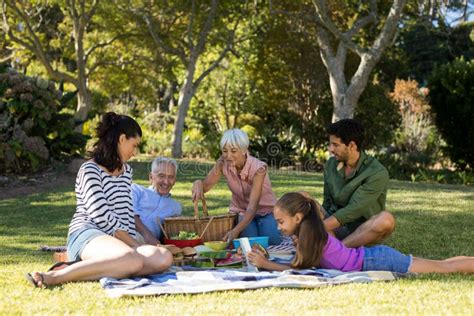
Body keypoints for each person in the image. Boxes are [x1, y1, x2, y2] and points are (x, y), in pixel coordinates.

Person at [25, 112, 172, 288]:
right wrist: (134, 246)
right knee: (132, 259)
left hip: (122, 241)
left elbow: (126, 213)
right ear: (122, 139)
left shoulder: (127, 171)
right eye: (134, 145)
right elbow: (101, 215)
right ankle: (55, 276)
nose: (135, 151)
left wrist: (142, 241)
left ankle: (96, 266)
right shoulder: (90, 170)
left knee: (163, 258)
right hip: (88, 233)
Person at [248, 192, 474, 274]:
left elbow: (298, 268)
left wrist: (266, 264)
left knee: (446, 268)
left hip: (378, 261)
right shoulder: (308, 229)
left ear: (297, 218)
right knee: (442, 263)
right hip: (374, 257)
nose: (278, 227)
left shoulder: (310, 234)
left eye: (280, 222)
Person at [192, 128, 281, 245]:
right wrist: (198, 183)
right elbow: (206, 186)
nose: (228, 156)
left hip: (266, 211)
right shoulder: (222, 163)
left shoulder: (259, 168)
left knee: (272, 242)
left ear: (244, 150)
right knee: (250, 244)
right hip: (242, 212)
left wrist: (235, 231)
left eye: (233, 151)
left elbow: (252, 207)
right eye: (225, 151)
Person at [322, 119, 395, 248]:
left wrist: (314, 229)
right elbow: (327, 203)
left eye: (335, 145)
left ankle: (340, 251)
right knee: (303, 197)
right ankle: (332, 246)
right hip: (332, 228)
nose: (331, 149)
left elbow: (353, 210)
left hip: (360, 233)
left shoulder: (376, 172)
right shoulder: (330, 165)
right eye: (330, 144)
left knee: (386, 220)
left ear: (352, 146)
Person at [132, 157, 182, 244]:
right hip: (127, 235)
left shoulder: (175, 207)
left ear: (175, 180)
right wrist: (148, 236)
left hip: (151, 247)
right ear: (151, 177)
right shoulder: (137, 190)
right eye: (161, 176)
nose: (166, 182)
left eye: (171, 177)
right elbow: (129, 214)